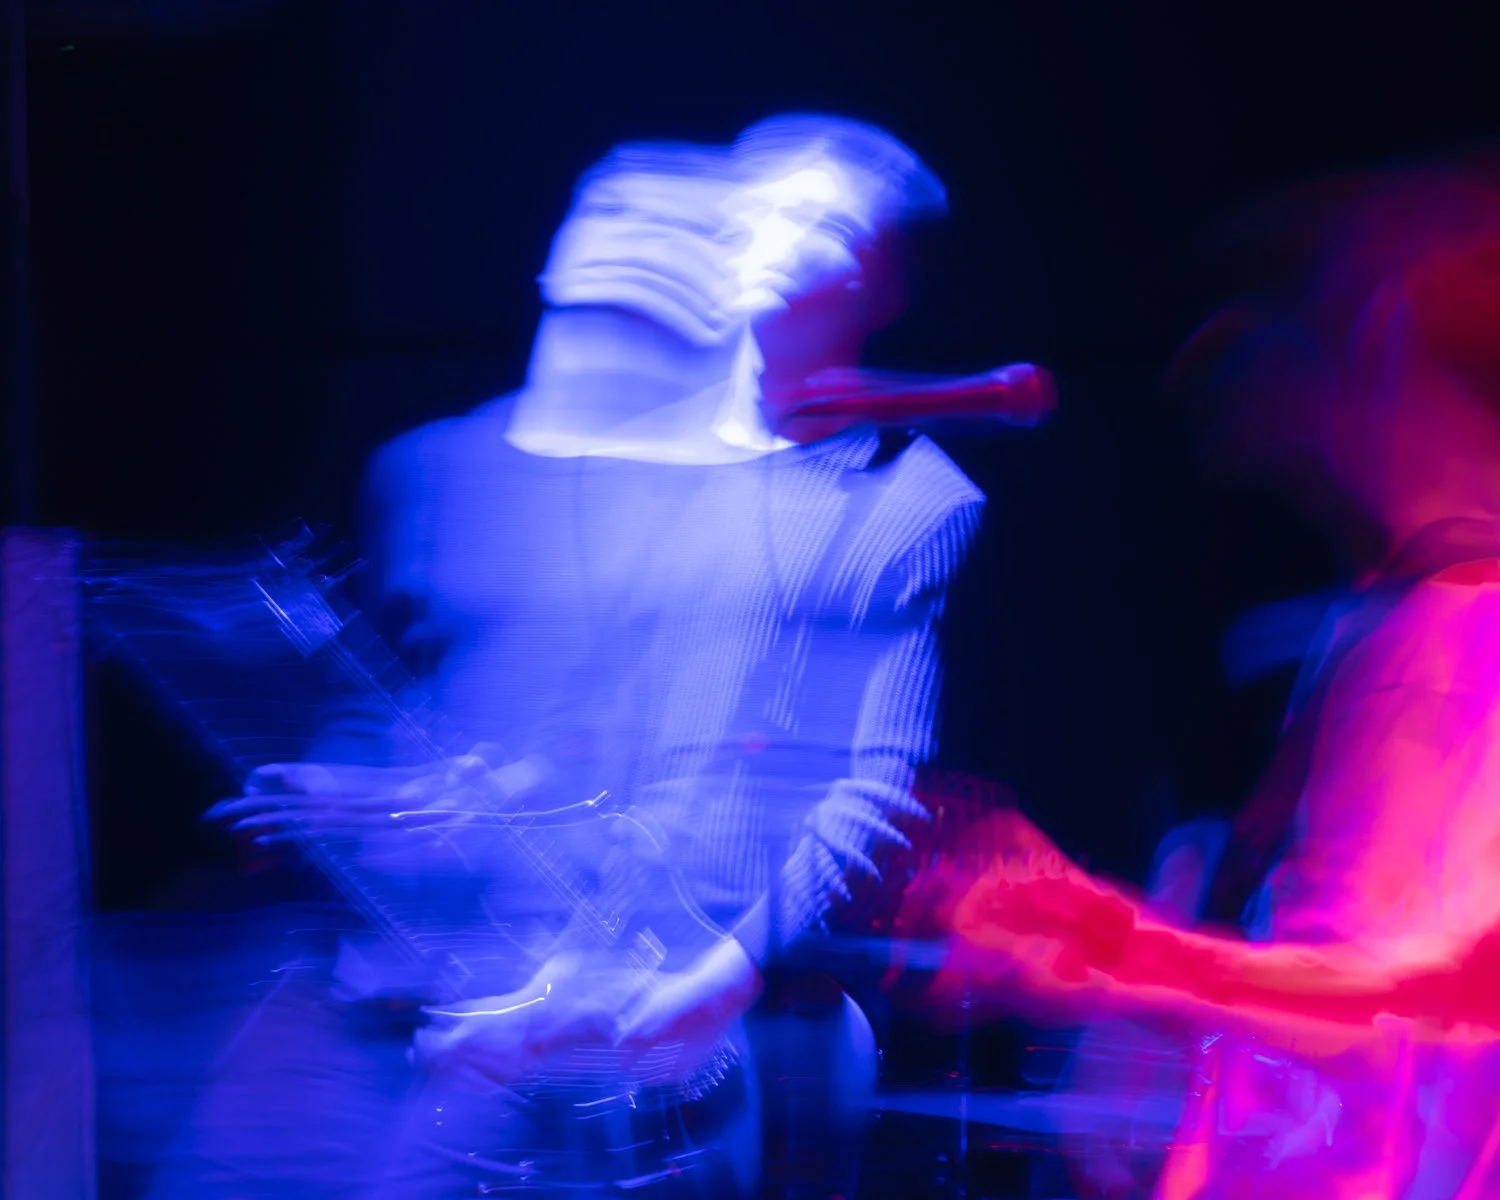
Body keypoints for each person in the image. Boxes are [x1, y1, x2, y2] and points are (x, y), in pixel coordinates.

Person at [174, 114, 1045, 1199]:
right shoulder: (594, 462)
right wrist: (382, 799)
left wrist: (715, 983)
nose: (769, 235)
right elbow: (548, 749)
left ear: (879, 282)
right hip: (516, 1005)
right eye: (756, 205)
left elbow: (862, 784)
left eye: (821, 222)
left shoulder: (898, 499)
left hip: (712, 1031)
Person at [941, 152, 1500, 1197]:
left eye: (1305, 323)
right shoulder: (1379, 627)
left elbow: (1435, 1014)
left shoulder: (1470, 634)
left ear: (1383, 349)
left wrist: (1115, 951)